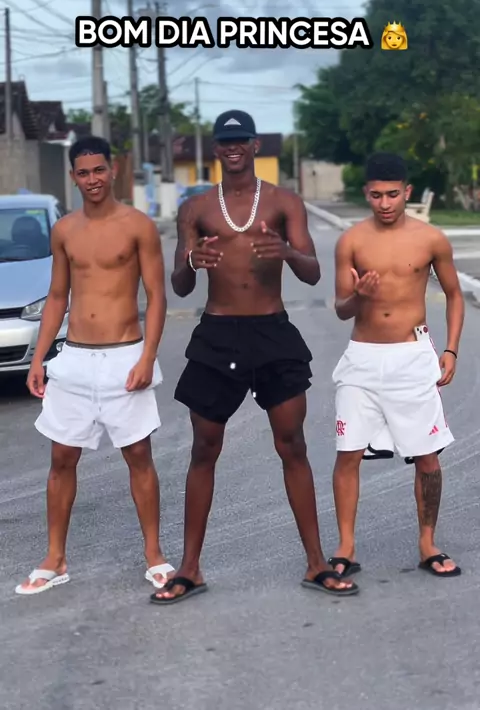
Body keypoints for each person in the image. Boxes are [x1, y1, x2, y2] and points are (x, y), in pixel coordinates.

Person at [151, 108, 358, 605]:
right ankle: (190, 568)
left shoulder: (285, 202)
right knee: (204, 448)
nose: (233, 148)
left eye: (241, 140)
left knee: (292, 445)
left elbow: (312, 272)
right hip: (218, 332)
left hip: (271, 331)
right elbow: (180, 284)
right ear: (216, 148)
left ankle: (316, 562)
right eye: (226, 141)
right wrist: (191, 261)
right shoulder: (196, 208)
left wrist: (286, 252)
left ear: (254, 145)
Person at [16, 136, 174, 595]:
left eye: (99, 170)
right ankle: (55, 559)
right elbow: (57, 297)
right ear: (73, 177)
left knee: (138, 456)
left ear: (113, 170)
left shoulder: (138, 226)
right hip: (76, 357)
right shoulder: (65, 230)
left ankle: (154, 555)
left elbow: (157, 297)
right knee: (61, 458)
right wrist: (39, 358)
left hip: (126, 355)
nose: (92, 180)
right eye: (83, 173)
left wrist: (148, 356)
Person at [329, 151, 464, 579]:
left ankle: (428, 544)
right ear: (365, 194)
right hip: (362, 358)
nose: (384, 203)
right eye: (376, 195)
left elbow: (455, 295)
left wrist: (451, 350)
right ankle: (345, 547)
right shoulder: (351, 242)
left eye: (392, 194)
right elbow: (341, 309)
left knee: (427, 457)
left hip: (411, 356)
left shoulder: (431, 239)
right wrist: (359, 296)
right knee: (348, 453)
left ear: (406, 192)